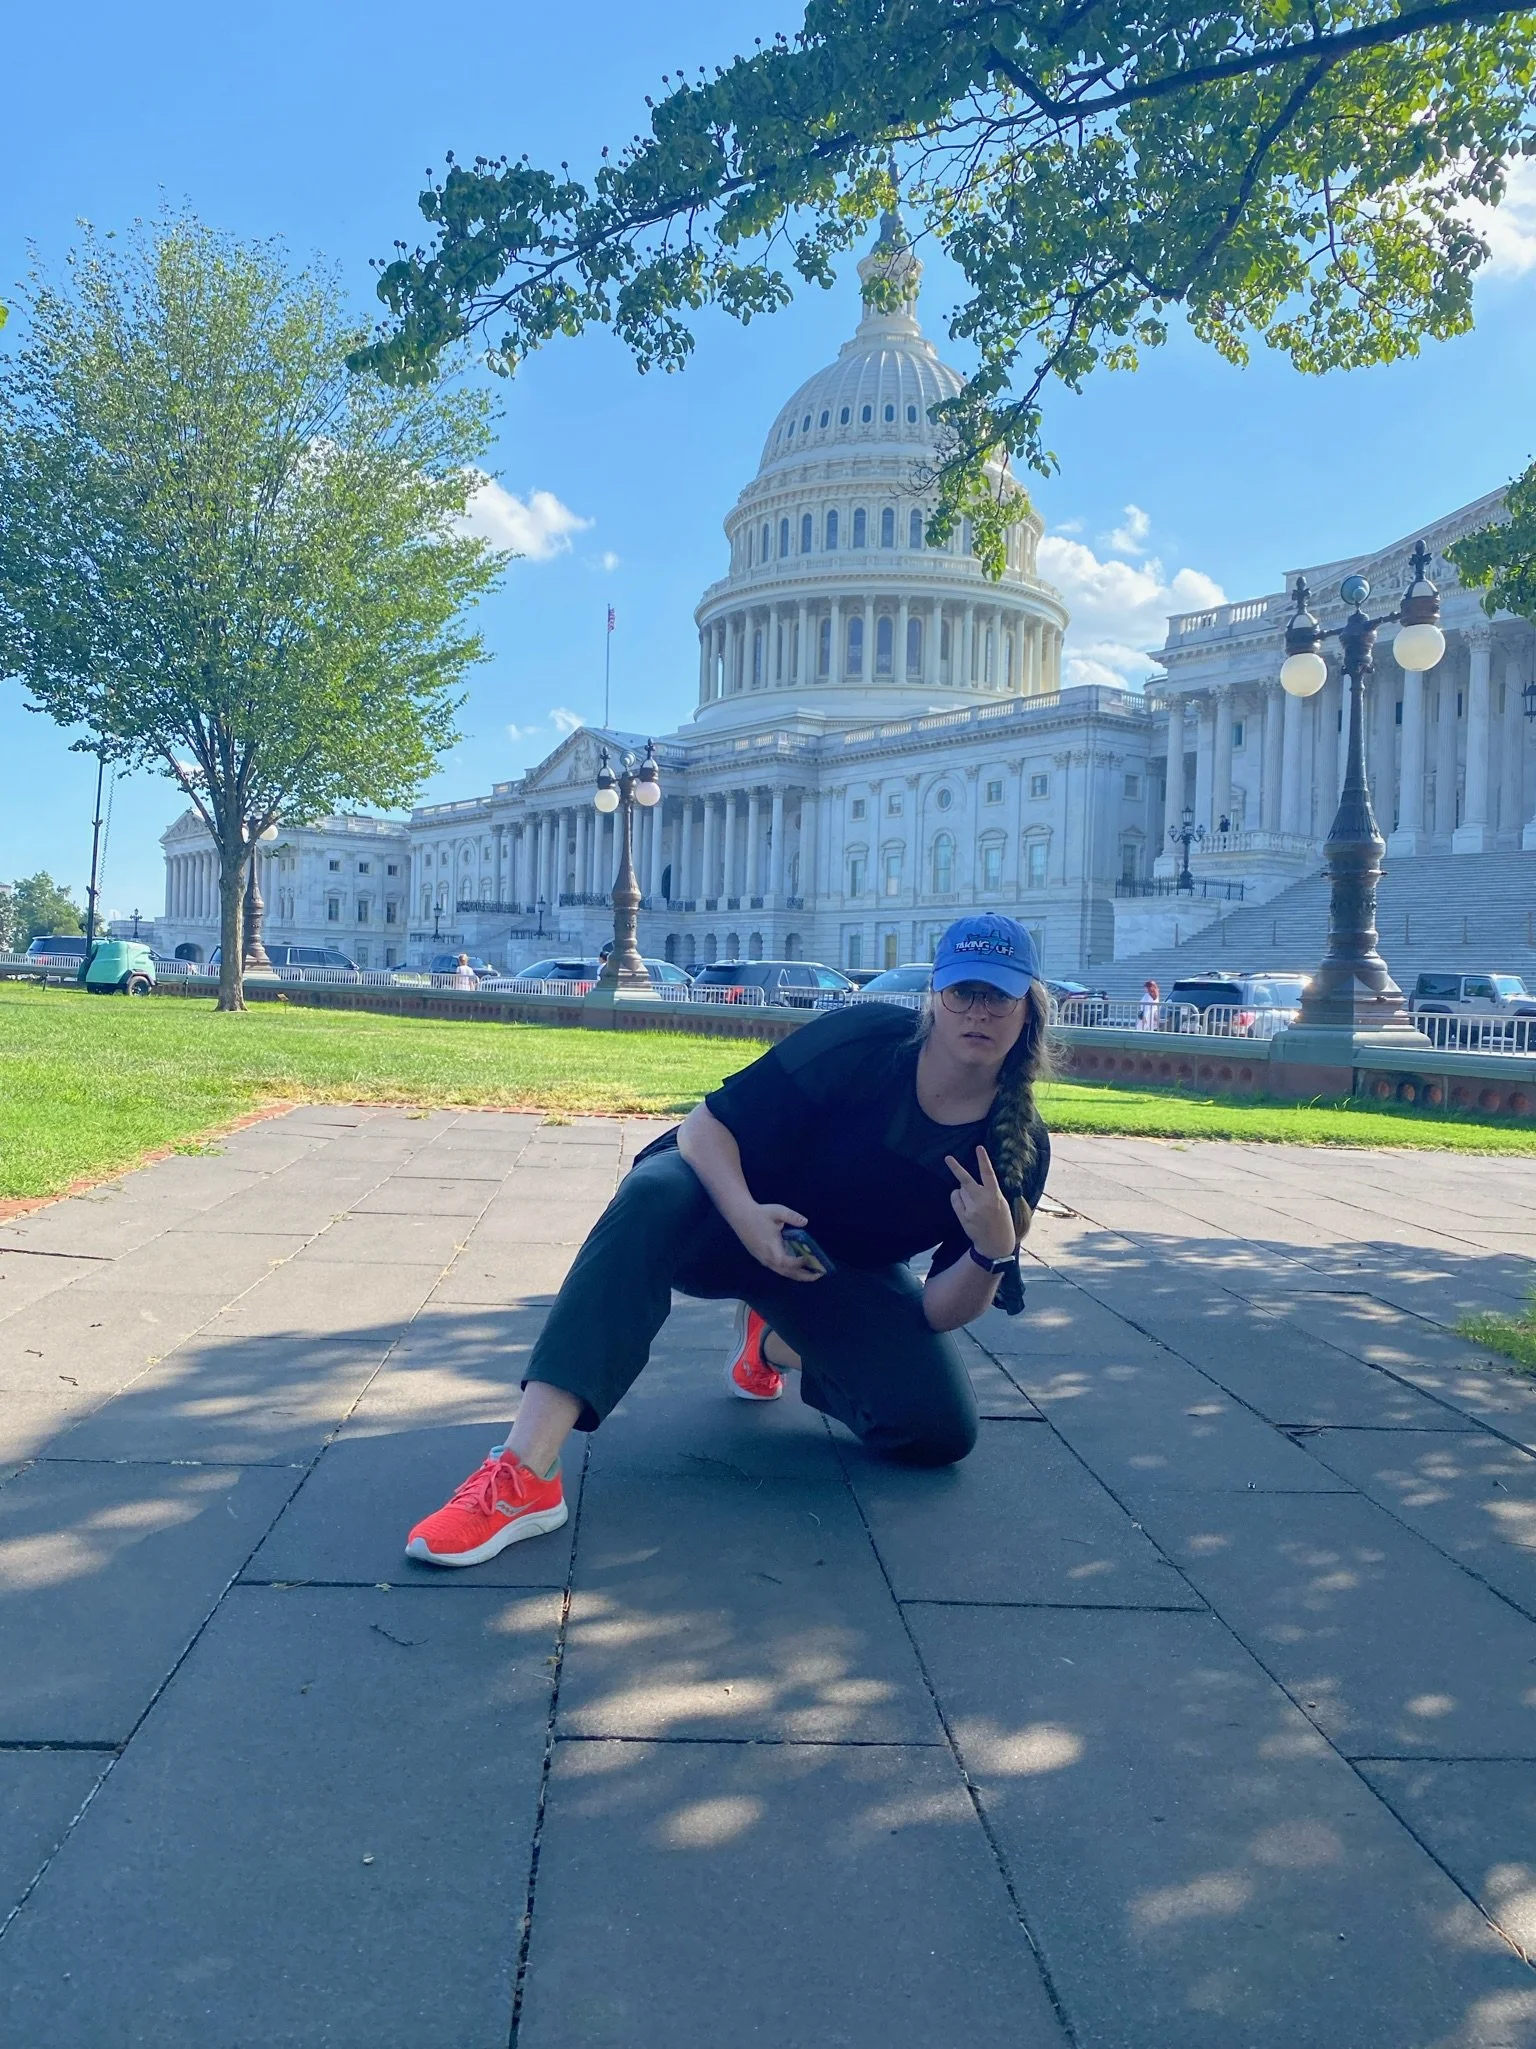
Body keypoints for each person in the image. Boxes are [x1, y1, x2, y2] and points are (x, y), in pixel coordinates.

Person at [404, 912, 1053, 1566]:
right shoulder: (865, 1041)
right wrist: (745, 1214)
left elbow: (938, 1310)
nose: (980, 1010)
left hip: (823, 1272)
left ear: (1027, 1007)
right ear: (933, 996)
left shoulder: (1017, 1148)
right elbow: (704, 1126)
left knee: (939, 1430)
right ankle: (523, 1473)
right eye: (963, 991)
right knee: (653, 1193)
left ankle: (772, 1342)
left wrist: (989, 1251)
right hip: (720, 1210)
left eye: (999, 995)